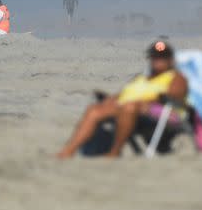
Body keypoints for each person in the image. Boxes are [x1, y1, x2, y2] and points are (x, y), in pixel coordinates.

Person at [58, 41, 188, 159]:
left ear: (170, 61)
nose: (157, 61)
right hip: (131, 108)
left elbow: (175, 95)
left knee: (129, 107)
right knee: (95, 110)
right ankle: (67, 152)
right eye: (155, 58)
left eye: (162, 58)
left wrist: (148, 101)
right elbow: (125, 94)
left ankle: (114, 152)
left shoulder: (176, 77)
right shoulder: (143, 79)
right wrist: (110, 99)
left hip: (162, 112)